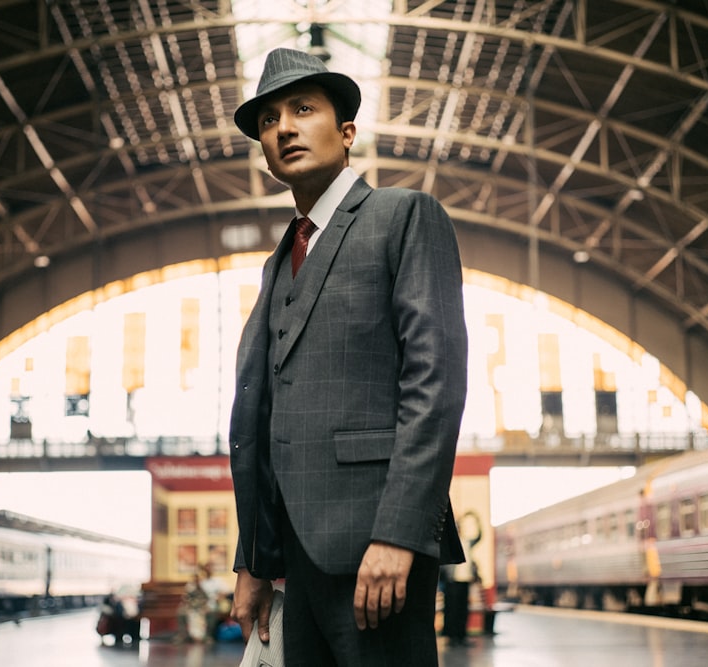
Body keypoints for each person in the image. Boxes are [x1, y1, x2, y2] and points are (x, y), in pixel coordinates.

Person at [228, 47, 468, 665]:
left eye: (303, 109)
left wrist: (399, 534)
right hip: (294, 565)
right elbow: (265, 419)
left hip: (376, 552)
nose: (283, 127)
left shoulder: (404, 218)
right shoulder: (279, 263)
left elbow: (434, 383)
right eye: (268, 120)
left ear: (347, 131)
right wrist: (254, 559)